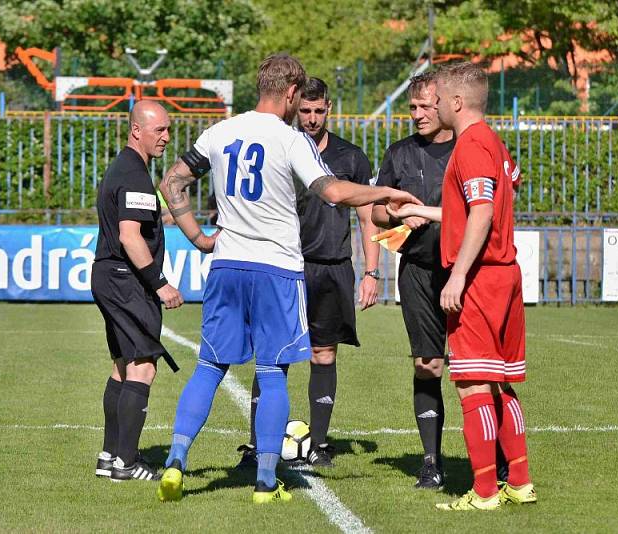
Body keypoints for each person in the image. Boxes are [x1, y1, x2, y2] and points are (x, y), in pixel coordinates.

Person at [156, 53, 420, 504]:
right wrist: (386, 191)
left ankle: (176, 462)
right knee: (272, 372)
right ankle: (264, 482)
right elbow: (334, 191)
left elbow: (172, 182)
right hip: (276, 268)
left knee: (210, 365)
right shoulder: (290, 139)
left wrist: (199, 238)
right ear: (293, 93)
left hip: (227, 264)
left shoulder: (220, 131)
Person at [387, 62, 536, 510]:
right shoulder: (495, 143)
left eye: (438, 99)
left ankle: (485, 491)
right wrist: (424, 212)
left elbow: (481, 212)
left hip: (480, 278)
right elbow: (489, 197)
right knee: (501, 383)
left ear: (454, 102)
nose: (429, 107)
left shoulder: (469, 146)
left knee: (472, 383)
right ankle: (520, 483)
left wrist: (457, 274)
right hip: (506, 273)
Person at [237, 77, 380, 469]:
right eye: (306, 111)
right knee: (271, 355)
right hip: (284, 265)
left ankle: (318, 444)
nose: (312, 118)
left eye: (319, 111)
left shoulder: (351, 157)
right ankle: (256, 445)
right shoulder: (282, 149)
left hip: (333, 269)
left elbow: (367, 218)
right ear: (296, 107)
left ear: (329, 109)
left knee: (324, 353)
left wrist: (372, 271)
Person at [91, 100, 184, 483]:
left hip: (110, 276)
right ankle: (125, 464)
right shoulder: (133, 173)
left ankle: (110, 455)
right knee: (143, 367)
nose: (166, 137)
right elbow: (130, 236)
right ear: (136, 130)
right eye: (158, 130)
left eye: (167, 129)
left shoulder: (127, 169)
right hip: (125, 280)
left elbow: (135, 221)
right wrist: (160, 284)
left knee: (123, 366)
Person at [369, 72, 454, 489]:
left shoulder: (471, 147)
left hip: (466, 272)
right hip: (418, 271)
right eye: (413, 108)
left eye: (425, 107)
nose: (417, 115)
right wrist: (399, 212)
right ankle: (431, 460)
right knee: (428, 364)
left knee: (480, 369)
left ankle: (499, 460)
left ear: (447, 104)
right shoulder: (400, 153)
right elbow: (378, 213)